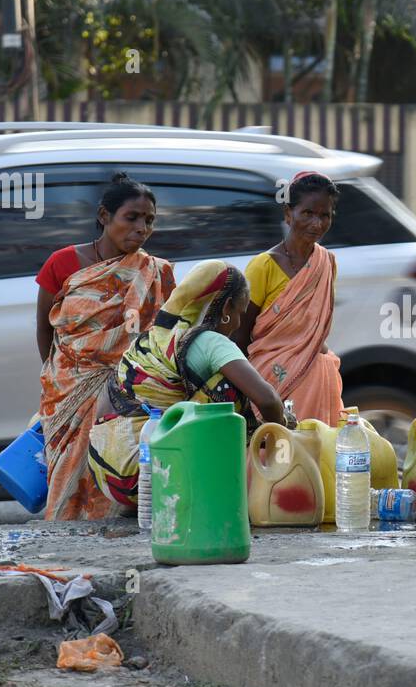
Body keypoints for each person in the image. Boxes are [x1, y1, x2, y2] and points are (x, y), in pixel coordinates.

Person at [88, 260, 290, 508]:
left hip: (106, 469)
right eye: (240, 312)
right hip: (150, 474)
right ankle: (216, 495)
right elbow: (268, 400)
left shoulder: (152, 338)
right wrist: (281, 436)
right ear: (227, 306)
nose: (238, 323)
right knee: (227, 392)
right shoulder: (210, 341)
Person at [37, 173, 175, 520]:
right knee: (68, 479)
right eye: (132, 217)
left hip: (126, 394)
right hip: (67, 390)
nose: (142, 228)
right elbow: (45, 328)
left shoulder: (156, 273)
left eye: (149, 220)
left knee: (114, 473)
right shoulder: (64, 263)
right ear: (104, 216)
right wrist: (61, 381)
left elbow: (165, 337)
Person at [233, 171, 345, 424]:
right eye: (308, 213)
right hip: (270, 382)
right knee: (277, 456)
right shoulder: (263, 266)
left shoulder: (326, 263)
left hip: (319, 379)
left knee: (317, 454)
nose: (317, 224)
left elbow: (315, 331)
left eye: (324, 215)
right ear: (288, 214)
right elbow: (240, 336)